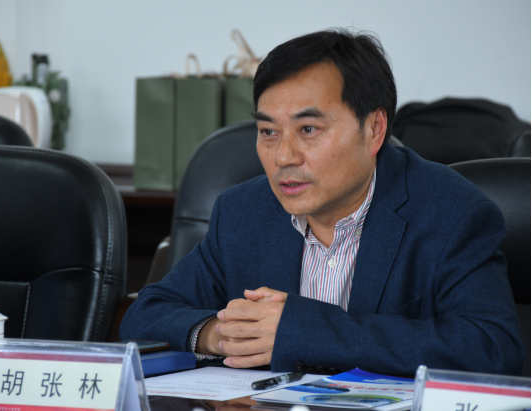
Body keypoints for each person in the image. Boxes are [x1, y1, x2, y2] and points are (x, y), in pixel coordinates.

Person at [121, 29, 524, 376]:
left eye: (308, 129)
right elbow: (146, 314)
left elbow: (492, 348)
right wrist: (223, 334)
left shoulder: (451, 212)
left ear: (374, 129)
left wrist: (303, 331)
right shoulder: (243, 211)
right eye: (268, 132)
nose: (283, 157)